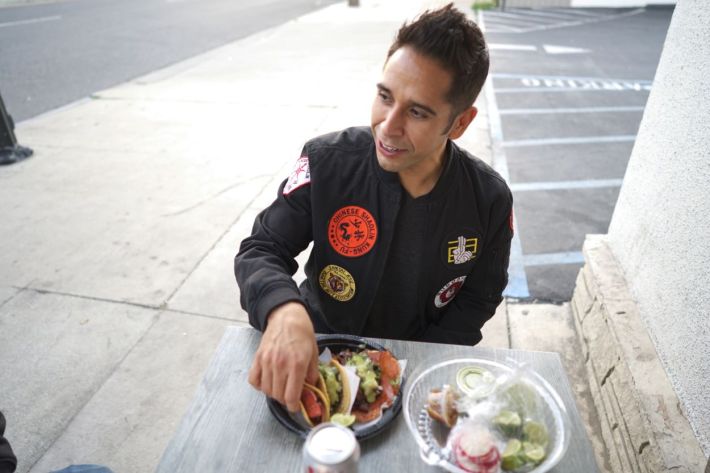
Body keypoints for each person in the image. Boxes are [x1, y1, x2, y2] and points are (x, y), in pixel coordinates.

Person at [234, 3, 513, 413]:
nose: (388, 125)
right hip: (317, 353)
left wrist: (419, 365)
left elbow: (479, 297)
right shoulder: (327, 161)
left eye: (416, 111)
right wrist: (282, 309)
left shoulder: (488, 201)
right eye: (385, 96)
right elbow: (262, 248)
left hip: (415, 370)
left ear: (459, 123)